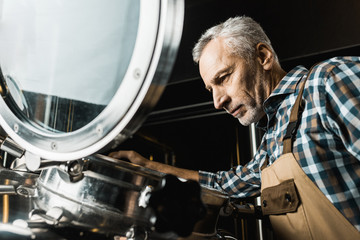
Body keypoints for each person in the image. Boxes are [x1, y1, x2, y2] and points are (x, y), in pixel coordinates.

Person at [110, 16, 360, 239]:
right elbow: (222, 186)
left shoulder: (328, 81)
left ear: (263, 57)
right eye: (211, 89)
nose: (218, 102)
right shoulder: (273, 140)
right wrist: (148, 167)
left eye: (223, 78)